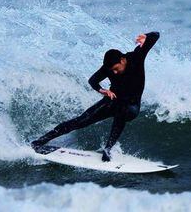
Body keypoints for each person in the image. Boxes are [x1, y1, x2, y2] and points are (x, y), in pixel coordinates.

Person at [31, 31, 160, 162]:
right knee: (81, 121)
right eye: (112, 70)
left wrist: (146, 36)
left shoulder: (136, 56)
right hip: (112, 101)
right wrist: (102, 90)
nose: (114, 72)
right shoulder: (108, 68)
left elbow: (156, 35)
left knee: (123, 111)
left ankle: (108, 148)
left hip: (132, 105)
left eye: (116, 68)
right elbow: (93, 80)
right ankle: (40, 141)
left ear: (122, 60)